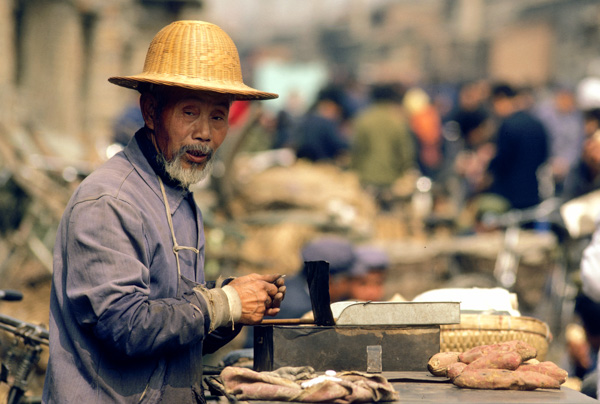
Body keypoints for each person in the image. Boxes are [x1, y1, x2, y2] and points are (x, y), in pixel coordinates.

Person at [42, 20, 286, 404]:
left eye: (218, 117)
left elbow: (175, 330)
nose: (205, 133)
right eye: (190, 113)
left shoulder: (178, 197)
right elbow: (126, 329)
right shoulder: (110, 202)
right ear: (151, 111)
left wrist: (234, 309)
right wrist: (225, 303)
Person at [481, 83, 550, 212]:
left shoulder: (508, 125)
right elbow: (544, 156)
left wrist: (489, 167)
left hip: (508, 193)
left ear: (500, 99)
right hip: (532, 190)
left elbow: (503, 159)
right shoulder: (537, 124)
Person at [350, 83, 415, 211]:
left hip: (367, 177)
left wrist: (355, 169)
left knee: (369, 213)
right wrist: (404, 170)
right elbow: (405, 152)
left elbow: (357, 149)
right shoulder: (397, 121)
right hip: (391, 178)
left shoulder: (363, 119)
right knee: (390, 218)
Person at [277, 235, 357, 319]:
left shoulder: (291, 288)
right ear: (328, 280)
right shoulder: (306, 311)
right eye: (349, 279)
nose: (351, 286)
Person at [291, 85, 350, 163]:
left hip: (304, 164)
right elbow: (338, 144)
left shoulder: (306, 119)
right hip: (322, 166)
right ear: (330, 106)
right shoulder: (326, 123)